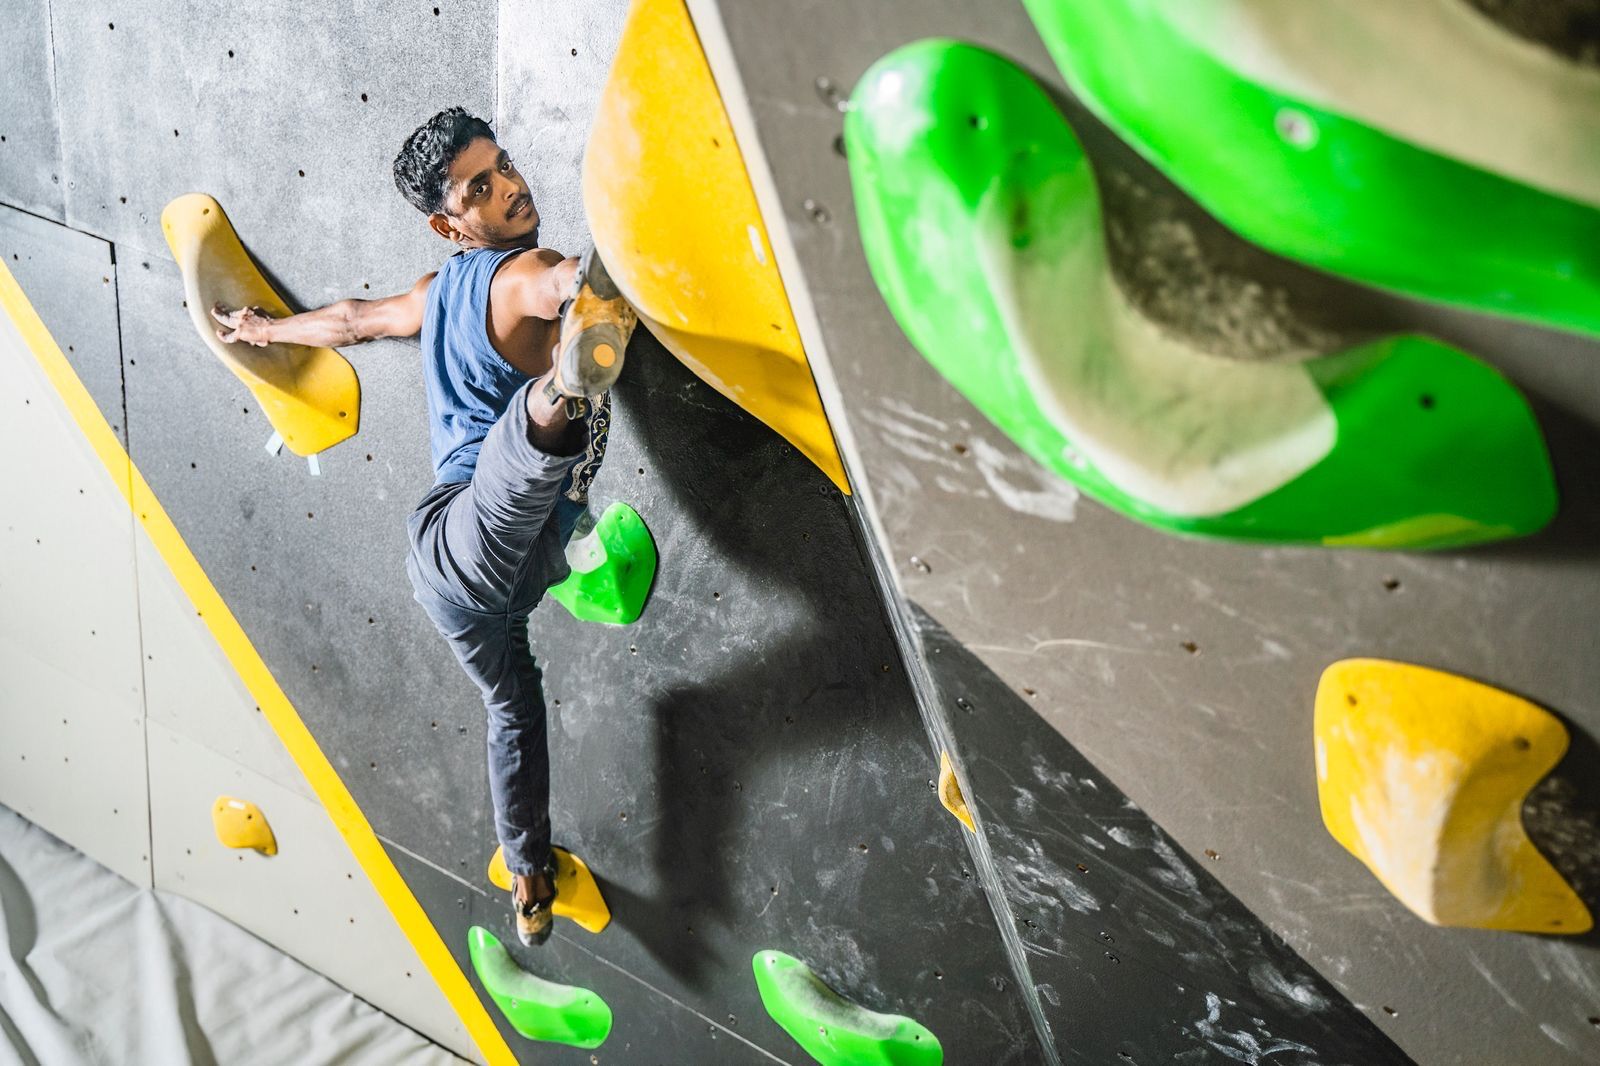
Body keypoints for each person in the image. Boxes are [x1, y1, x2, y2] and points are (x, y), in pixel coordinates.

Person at [210, 107, 635, 946]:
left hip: (487, 594)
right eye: (481, 187)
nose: (511, 187)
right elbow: (550, 283)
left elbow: (353, 320)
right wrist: (586, 287)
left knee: (514, 708)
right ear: (450, 222)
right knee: (517, 467)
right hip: (461, 539)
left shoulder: (435, 291)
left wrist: (264, 331)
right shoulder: (521, 272)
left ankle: (530, 877)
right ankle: (560, 388)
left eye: (504, 166)